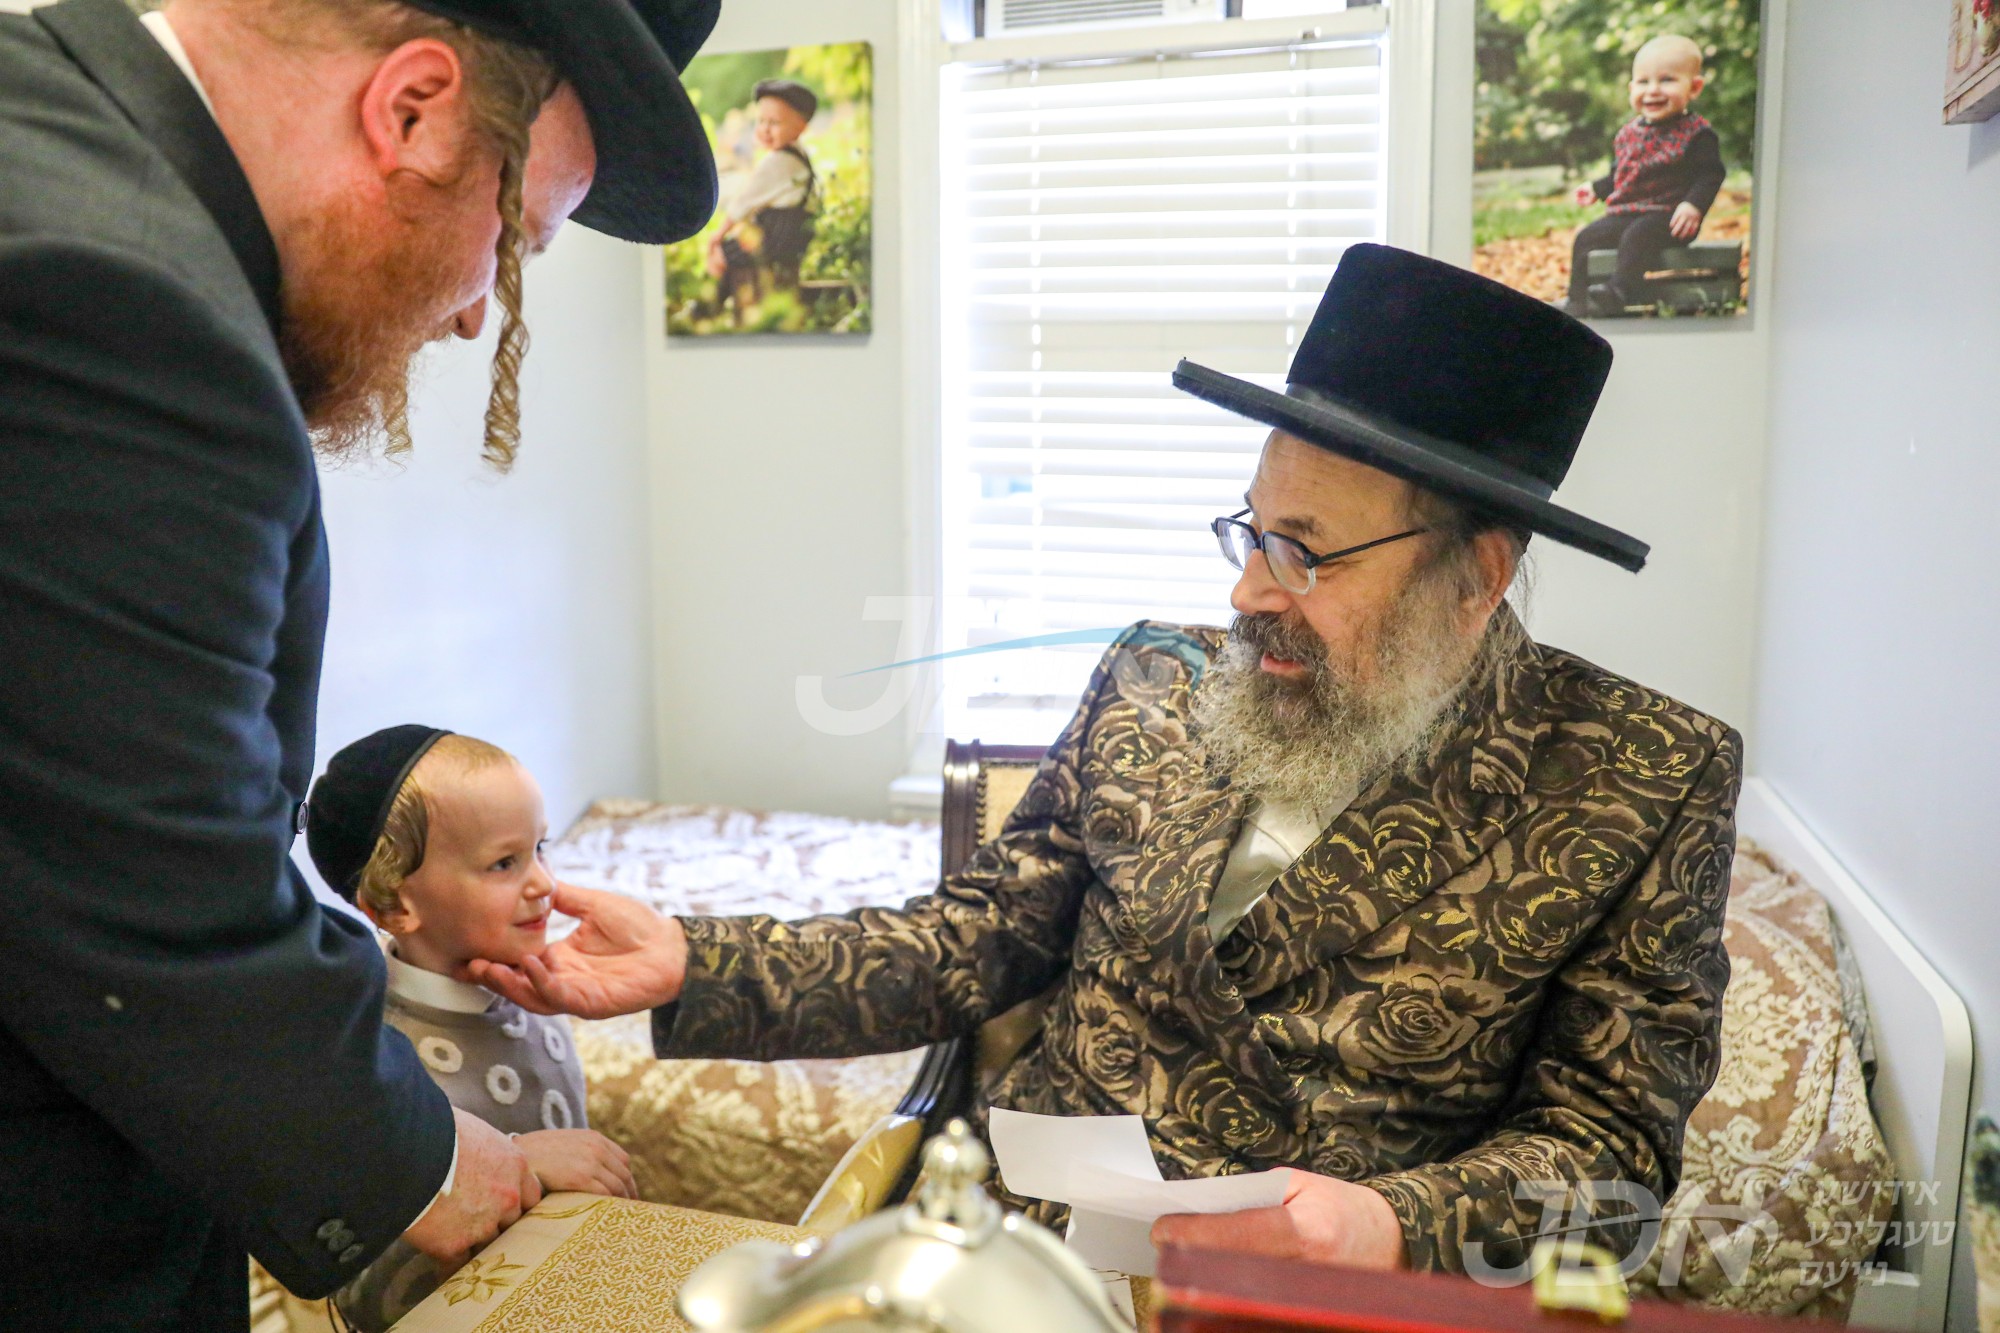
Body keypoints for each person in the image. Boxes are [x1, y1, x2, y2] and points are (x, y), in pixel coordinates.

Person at [469, 245, 1743, 1278]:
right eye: (1252, 529)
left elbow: (1610, 1154)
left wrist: (1385, 1224)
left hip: (1308, 1302)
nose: (1247, 591)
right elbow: (981, 936)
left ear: (1475, 578)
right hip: (1021, 1255)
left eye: (1307, 551)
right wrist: (698, 957)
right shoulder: (1153, 678)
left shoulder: (1639, 776)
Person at [0, 0, 715, 1326]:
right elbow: (156, 892)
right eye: (512, 245)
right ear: (414, 110)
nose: (469, 317)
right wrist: (432, 1160)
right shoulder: (122, 299)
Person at [302, 727, 637, 1331]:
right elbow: (368, 1291)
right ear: (394, 904)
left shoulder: (532, 990)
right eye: (504, 863)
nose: (543, 884)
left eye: (541, 848)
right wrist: (518, 1164)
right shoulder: (373, 1061)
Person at [1566, 34, 1726, 316]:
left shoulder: (1697, 134)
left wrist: (1693, 205)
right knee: (1587, 237)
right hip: (1627, 212)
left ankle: (1619, 291)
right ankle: (1576, 301)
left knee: (1638, 234)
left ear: (1695, 87)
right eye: (1643, 82)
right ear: (1631, 88)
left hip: (1668, 217)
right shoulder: (1628, 134)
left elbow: (1710, 174)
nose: (1653, 90)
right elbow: (1621, 175)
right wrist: (1596, 188)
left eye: (1667, 80)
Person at [706, 77, 819, 320]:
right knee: (735, 251)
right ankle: (714, 305)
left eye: (775, 123)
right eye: (761, 121)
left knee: (725, 252)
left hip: (777, 238)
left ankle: (709, 309)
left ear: (801, 128)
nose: (765, 129)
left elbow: (742, 204)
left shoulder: (778, 162)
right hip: (792, 237)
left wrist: (717, 237)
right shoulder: (797, 156)